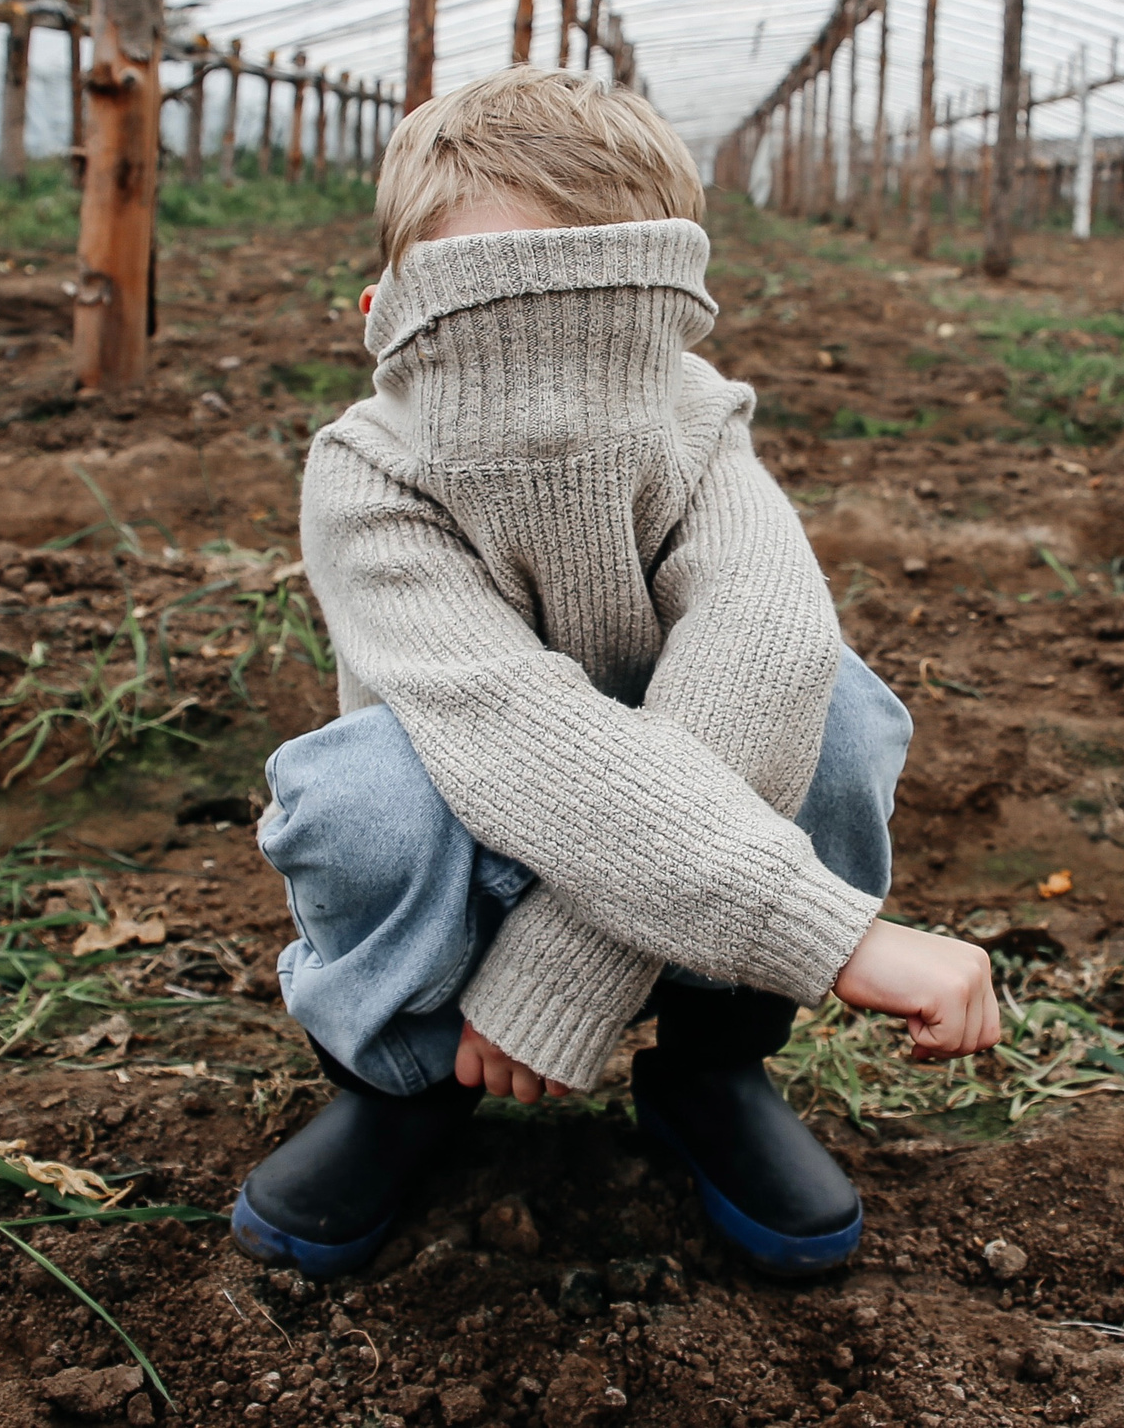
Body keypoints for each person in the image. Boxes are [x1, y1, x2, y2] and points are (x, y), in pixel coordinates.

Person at [229, 65, 1000, 1280]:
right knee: (361, 791)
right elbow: (514, 729)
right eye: (495, 321)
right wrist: (835, 936)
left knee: (833, 707)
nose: (550, 402)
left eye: (595, 329)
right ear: (386, 314)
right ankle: (406, 1079)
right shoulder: (369, 474)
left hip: (686, 817)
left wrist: (558, 978)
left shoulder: (699, 427)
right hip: (469, 823)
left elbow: (763, 645)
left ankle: (709, 1068)